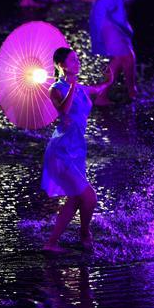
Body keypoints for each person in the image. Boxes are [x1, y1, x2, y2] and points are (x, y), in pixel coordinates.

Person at [42, 47, 107, 252]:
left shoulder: (80, 88)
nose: (77, 62)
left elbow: (97, 90)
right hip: (61, 151)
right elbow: (63, 110)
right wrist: (72, 87)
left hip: (77, 150)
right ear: (62, 65)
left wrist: (109, 80)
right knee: (89, 197)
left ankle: (51, 243)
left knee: (75, 197)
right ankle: (85, 233)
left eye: (77, 59)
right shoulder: (56, 88)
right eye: (72, 60)